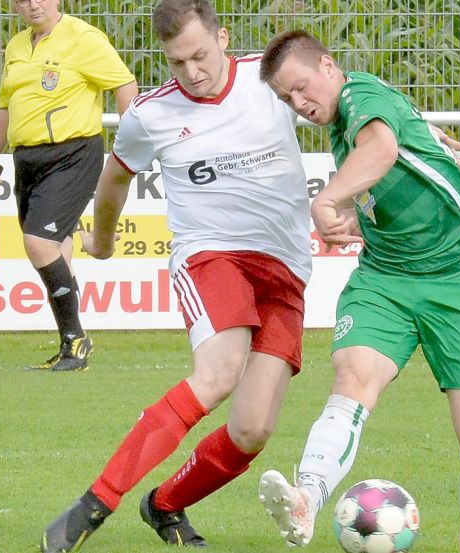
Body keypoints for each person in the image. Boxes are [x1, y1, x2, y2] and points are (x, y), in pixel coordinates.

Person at [37, 0, 315, 551]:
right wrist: (104, 238)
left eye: (200, 55)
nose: (192, 72)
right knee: (217, 374)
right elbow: (115, 178)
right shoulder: (151, 114)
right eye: (176, 62)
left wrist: (412, 138)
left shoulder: (270, 79)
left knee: (252, 429)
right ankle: (93, 505)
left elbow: (351, 107)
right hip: (211, 255)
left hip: (286, 268)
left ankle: (163, 504)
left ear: (222, 37)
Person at [255, 30, 460, 553]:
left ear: (328, 66)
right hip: (384, 279)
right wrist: (419, 126)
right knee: (352, 379)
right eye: (287, 99)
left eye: (302, 88)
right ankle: (307, 498)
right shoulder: (347, 114)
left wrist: (326, 199)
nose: (300, 105)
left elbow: (383, 145)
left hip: (457, 279)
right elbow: (390, 132)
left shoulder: (357, 97)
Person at [0, 0, 138, 372]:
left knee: (39, 242)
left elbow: (125, 83)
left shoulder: (83, 37)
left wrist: (130, 142)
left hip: (74, 153)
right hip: (26, 159)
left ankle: (76, 338)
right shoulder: (17, 46)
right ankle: (71, 350)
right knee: (56, 249)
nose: (33, 5)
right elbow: (6, 107)